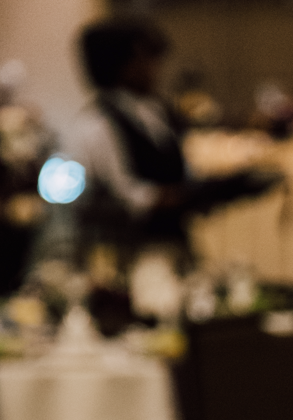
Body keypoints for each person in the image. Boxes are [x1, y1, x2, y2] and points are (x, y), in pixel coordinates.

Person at [69, 19, 278, 262]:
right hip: (130, 251)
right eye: (146, 59)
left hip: (174, 242)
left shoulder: (156, 111)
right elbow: (129, 198)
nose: (155, 68)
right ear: (120, 64)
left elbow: (179, 172)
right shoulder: (98, 124)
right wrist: (196, 194)